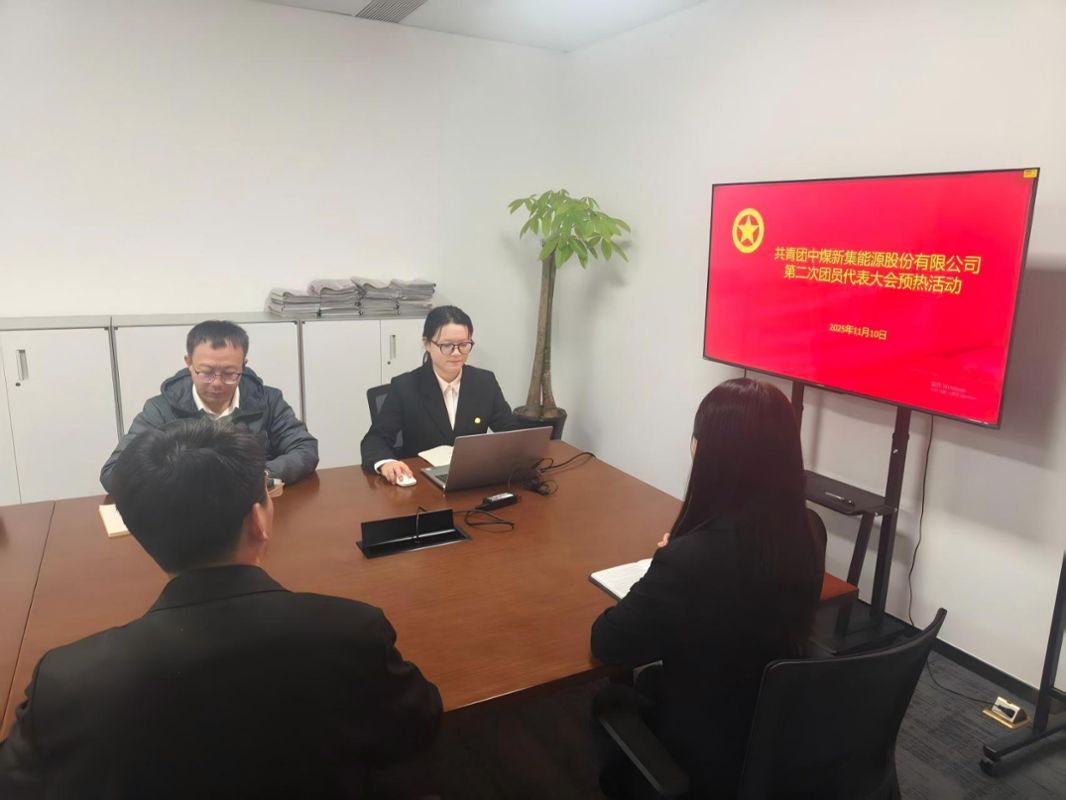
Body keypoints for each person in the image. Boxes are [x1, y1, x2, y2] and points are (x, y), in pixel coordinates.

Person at [0, 419, 442, 799]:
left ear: (139, 531)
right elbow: (419, 723)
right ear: (258, 520)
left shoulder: (67, 681)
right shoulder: (353, 631)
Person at [589, 378, 826, 799]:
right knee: (653, 681)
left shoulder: (690, 560)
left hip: (710, 751)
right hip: (778, 726)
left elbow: (608, 642)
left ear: (707, 455)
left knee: (610, 702)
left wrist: (666, 561)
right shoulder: (808, 530)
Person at [100, 319, 318, 493]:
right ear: (189, 363)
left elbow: (305, 449)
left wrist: (262, 474)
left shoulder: (267, 400)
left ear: (243, 366)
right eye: (206, 372)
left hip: (253, 509)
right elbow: (113, 473)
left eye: (229, 373)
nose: (217, 383)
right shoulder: (161, 410)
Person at [361, 305, 518, 484]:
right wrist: (387, 463)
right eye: (447, 345)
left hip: (471, 479)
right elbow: (375, 439)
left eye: (464, 345)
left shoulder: (484, 382)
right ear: (427, 343)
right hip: (421, 482)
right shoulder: (405, 387)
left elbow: (510, 431)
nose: (457, 353)